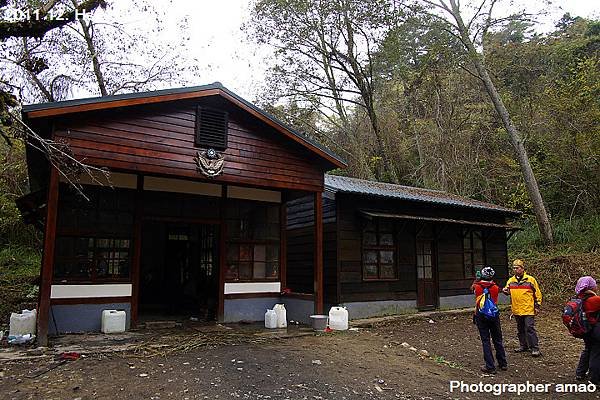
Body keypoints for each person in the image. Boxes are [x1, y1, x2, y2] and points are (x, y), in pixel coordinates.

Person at [502, 259, 542, 357]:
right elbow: (508, 291)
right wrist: (505, 291)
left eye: (517, 268)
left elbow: (537, 294)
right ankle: (523, 346)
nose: (515, 270)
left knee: (529, 328)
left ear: (522, 268)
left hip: (528, 309)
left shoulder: (530, 280)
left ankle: (535, 348)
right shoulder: (511, 281)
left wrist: (537, 306)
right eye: (514, 268)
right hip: (516, 309)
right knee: (520, 329)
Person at [473, 266, 507, 374]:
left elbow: (474, 290)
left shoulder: (477, 287)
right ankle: (503, 363)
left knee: (485, 340)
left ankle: (490, 365)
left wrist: (477, 280)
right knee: (497, 339)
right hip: (493, 315)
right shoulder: (495, 288)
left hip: (481, 314)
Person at [573, 276, 600, 383]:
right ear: (591, 287)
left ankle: (580, 373)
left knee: (588, 350)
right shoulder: (595, 300)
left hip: (585, 330)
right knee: (597, 353)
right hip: (596, 331)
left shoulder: (579, 299)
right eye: (595, 285)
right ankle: (594, 380)